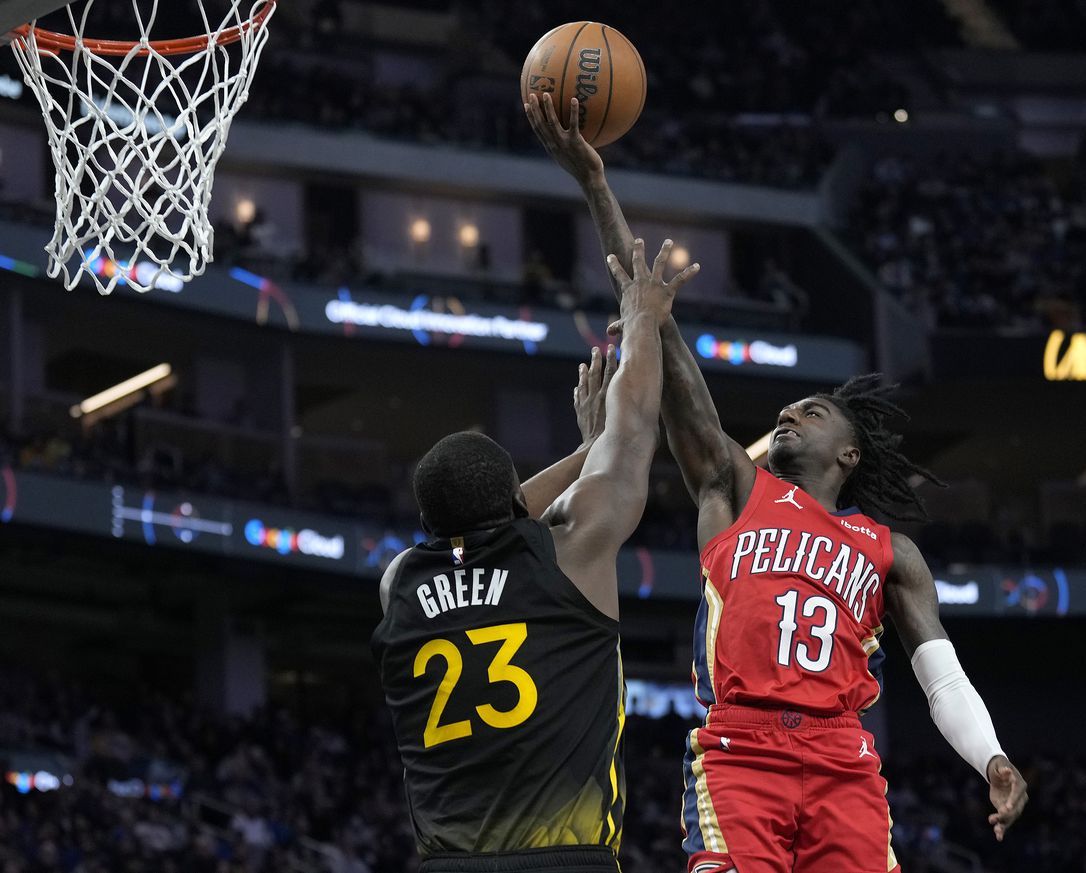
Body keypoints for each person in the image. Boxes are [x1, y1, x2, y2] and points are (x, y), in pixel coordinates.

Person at [527, 94, 1028, 873]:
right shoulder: (732, 486)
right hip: (740, 752)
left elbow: (942, 675)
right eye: (793, 405)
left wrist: (992, 758)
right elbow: (661, 333)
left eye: (815, 409)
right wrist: (596, 185)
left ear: (850, 454)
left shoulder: (889, 550)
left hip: (844, 763)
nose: (790, 410)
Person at [371, 240, 699, 873]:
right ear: (513, 497)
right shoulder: (568, 551)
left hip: (449, 862)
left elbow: (479, 511)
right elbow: (634, 432)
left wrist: (588, 453)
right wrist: (641, 317)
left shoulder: (399, 583)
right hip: (563, 857)